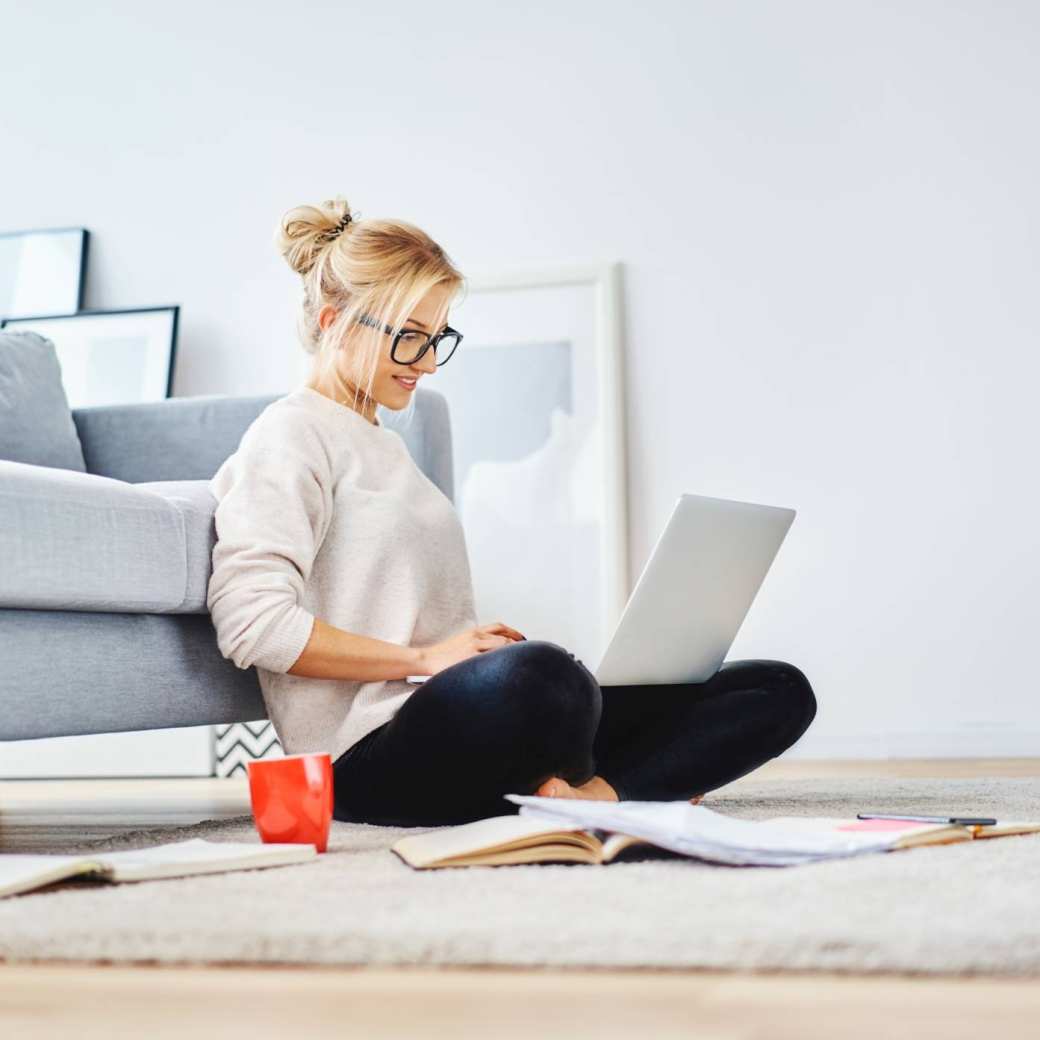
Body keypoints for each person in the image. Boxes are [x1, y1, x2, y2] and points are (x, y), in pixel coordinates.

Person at [207, 195, 817, 828]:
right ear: (334, 322)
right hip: (364, 758)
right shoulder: (289, 437)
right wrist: (425, 660)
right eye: (408, 338)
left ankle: (593, 797)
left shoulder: (384, 446)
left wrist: (466, 654)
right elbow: (253, 624)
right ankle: (635, 777)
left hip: (457, 721)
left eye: (436, 337)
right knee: (545, 679)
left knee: (774, 688)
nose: (423, 362)